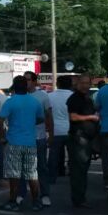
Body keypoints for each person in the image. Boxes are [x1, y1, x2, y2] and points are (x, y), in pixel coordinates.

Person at [0, 75, 45, 211]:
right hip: (30, 142)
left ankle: (13, 201)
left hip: (13, 142)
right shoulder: (34, 102)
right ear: (26, 86)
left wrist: (2, 137)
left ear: (14, 86)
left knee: (14, 174)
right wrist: (29, 123)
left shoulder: (10, 102)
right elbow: (41, 119)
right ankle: (36, 201)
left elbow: (0, 121)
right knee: (32, 174)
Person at [66, 73, 100, 209]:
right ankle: (78, 199)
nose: (86, 85)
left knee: (83, 169)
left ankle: (80, 197)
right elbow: (73, 117)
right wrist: (91, 117)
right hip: (79, 138)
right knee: (78, 170)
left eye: (88, 83)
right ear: (78, 84)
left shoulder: (87, 98)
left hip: (87, 138)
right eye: (83, 83)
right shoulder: (74, 99)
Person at [24, 71, 55, 207]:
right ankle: (21, 195)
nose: (26, 82)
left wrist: (51, 134)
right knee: (23, 168)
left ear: (35, 81)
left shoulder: (42, 96)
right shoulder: (20, 96)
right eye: (24, 80)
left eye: (28, 80)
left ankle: (45, 194)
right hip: (23, 138)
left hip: (39, 137)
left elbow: (49, 116)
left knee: (41, 167)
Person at [47, 74, 74, 203]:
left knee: (53, 155)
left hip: (55, 130)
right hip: (70, 130)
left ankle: (52, 177)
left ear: (57, 84)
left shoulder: (50, 96)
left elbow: (47, 113)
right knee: (73, 155)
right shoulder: (73, 97)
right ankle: (73, 175)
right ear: (70, 84)